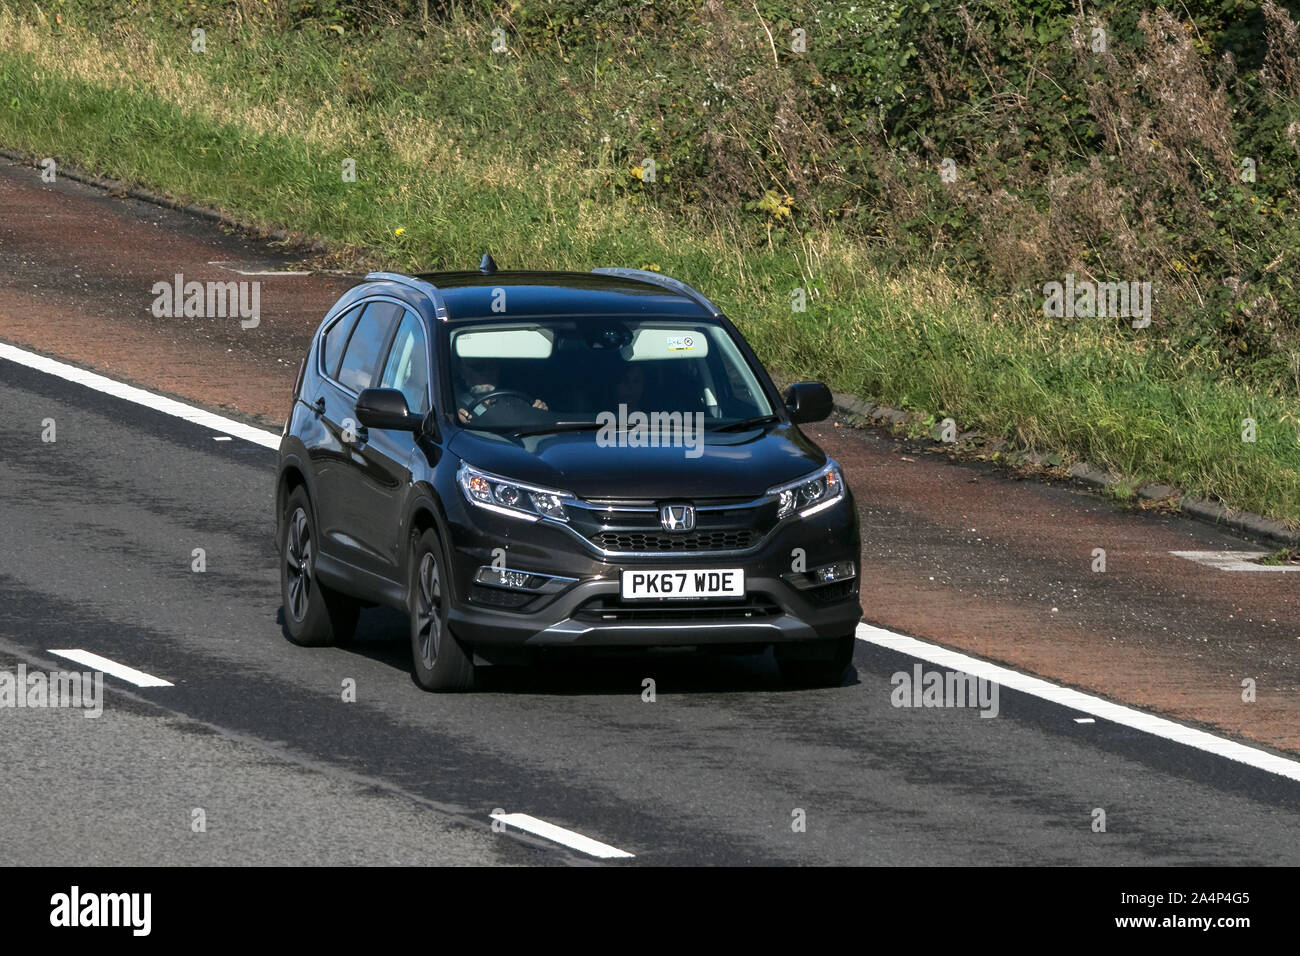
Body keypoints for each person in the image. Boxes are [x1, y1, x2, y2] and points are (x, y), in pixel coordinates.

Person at [455, 356, 548, 423]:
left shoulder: (516, 399)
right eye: (479, 367)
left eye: (492, 366)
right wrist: (456, 420)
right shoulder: (451, 404)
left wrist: (539, 411)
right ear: (462, 371)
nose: (488, 372)